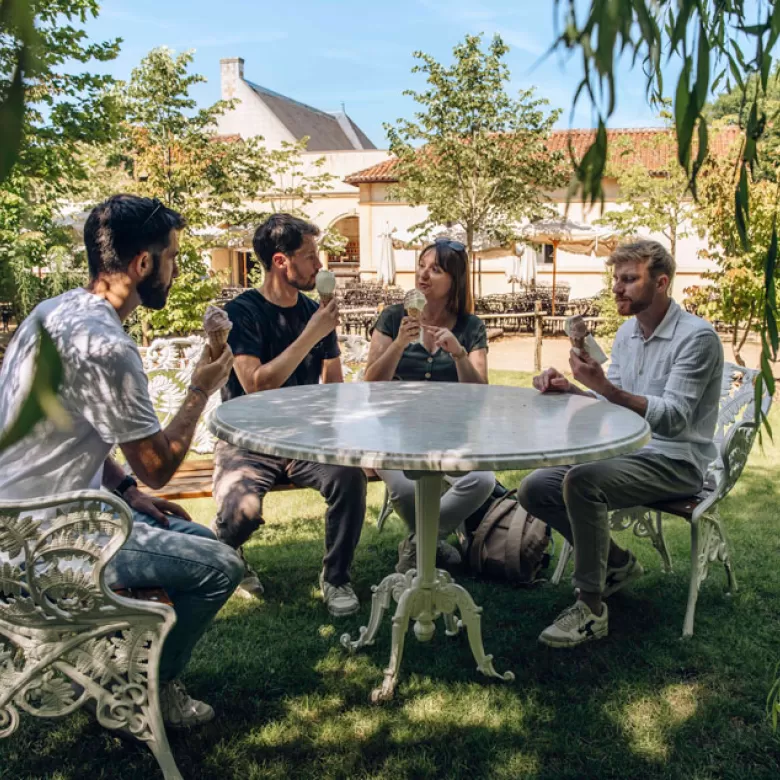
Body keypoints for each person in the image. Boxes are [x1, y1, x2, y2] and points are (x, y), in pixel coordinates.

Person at [0, 194, 243, 726]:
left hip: (20, 523)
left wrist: (129, 491)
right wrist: (201, 390)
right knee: (221, 565)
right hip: (47, 544)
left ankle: (129, 658)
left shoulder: (51, 313)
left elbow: (84, 433)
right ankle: (149, 688)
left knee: (201, 538)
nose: (176, 269)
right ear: (142, 264)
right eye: (173, 257)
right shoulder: (106, 346)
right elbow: (159, 463)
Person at [518, 240, 724, 648]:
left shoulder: (697, 338)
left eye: (629, 279)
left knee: (581, 482)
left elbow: (674, 418)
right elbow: (612, 402)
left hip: (676, 460)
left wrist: (606, 388)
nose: (617, 288)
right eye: (616, 278)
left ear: (661, 283)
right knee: (535, 487)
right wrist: (572, 389)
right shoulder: (629, 332)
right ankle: (617, 563)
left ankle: (591, 608)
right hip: (632, 451)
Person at [211, 213, 367, 617]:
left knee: (348, 477)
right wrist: (311, 333)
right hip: (247, 441)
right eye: (311, 256)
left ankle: (336, 578)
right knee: (241, 514)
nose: (320, 266)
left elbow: (333, 386)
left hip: (304, 440)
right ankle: (228, 553)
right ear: (282, 261)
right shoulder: (242, 312)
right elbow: (255, 384)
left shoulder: (317, 313)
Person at [364, 238, 496, 573]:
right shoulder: (394, 318)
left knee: (481, 481)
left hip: (450, 434)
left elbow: (480, 391)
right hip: (392, 433)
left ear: (455, 279)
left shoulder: (470, 326)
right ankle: (433, 545)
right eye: (422, 265)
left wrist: (459, 354)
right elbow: (371, 381)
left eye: (435, 269)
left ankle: (417, 544)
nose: (423, 274)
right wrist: (398, 344)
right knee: (407, 490)